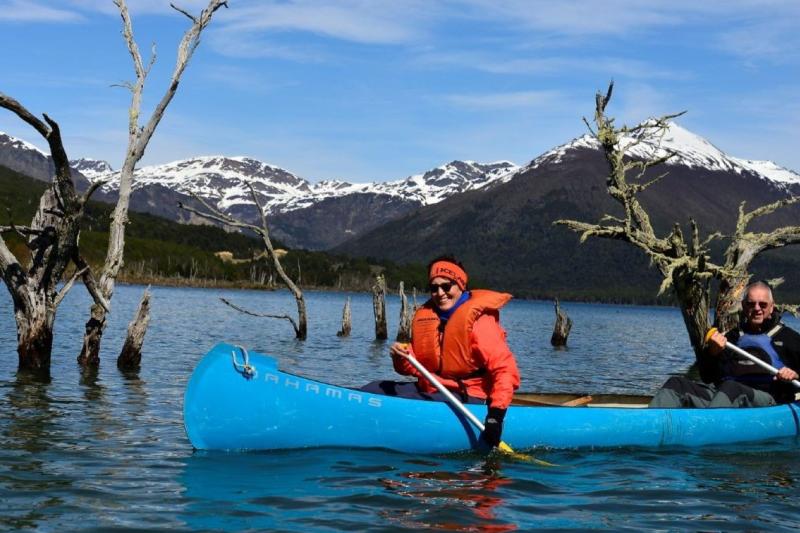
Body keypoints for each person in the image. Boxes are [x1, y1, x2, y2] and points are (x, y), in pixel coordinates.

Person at [361, 256, 520, 448]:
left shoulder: (480, 323)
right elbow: (414, 369)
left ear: (460, 285)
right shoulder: (429, 318)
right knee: (374, 388)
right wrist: (401, 356)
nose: (439, 293)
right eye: (434, 288)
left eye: (446, 286)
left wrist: (495, 417)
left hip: (469, 396)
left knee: (394, 400)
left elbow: (505, 371)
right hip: (432, 389)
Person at [649, 281, 800, 408]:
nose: (757, 309)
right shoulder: (732, 338)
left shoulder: (789, 338)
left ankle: (707, 430)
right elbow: (708, 377)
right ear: (743, 306)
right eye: (751, 304)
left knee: (731, 389)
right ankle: (649, 424)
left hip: (768, 401)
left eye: (763, 304)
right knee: (676, 384)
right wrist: (712, 353)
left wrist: (795, 374)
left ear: (772, 307)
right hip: (725, 396)